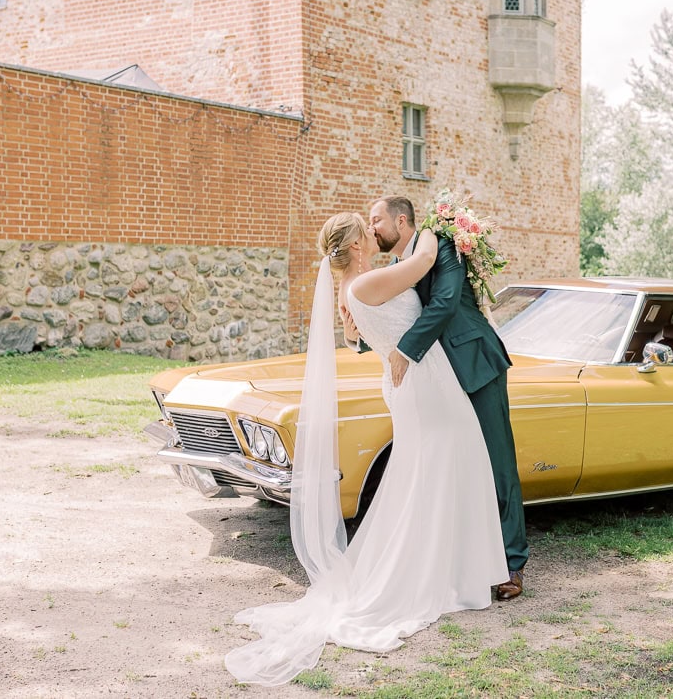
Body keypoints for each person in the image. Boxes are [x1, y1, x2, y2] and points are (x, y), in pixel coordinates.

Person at [224, 212, 507, 687]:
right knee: (443, 468)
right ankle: (443, 575)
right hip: (423, 386)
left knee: (433, 473)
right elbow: (423, 261)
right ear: (355, 246)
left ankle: (455, 570)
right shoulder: (367, 285)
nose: (374, 234)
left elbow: (362, 334)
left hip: (419, 383)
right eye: (367, 229)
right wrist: (444, 224)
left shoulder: (350, 292)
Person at [354, 196, 530, 601]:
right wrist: (359, 338)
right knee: (455, 463)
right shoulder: (397, 268)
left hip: (474, 362)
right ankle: (468, 556)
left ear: (402, 220)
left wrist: (405, 350)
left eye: (377, 220)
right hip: (436, 378)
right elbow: (396, 317)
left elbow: (445, 302)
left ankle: (512, 563)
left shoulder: (441, 244)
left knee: (495, 462)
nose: (373, 228)